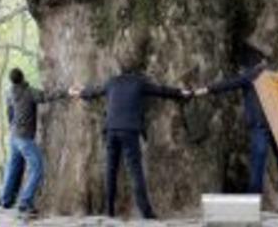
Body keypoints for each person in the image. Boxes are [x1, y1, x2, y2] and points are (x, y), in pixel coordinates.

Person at [71, 68, 191, 219]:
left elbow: (94, 92)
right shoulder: (139, 82)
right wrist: (180, 92)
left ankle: (109, 211)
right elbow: (161, 90)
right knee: (135, 172)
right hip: (129, 130)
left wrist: (79, 93)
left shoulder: (112, 82)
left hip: (111, 129)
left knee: (110, 171)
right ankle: (146, 213)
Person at [194, 44, 278, 213]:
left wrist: (205, 89)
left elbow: (228, 84)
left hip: (260, 125)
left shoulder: (252, 75)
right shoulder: (277, 74)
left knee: (258, 165)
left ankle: (252, 205)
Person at [0, 68, 68, 216]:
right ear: (22, 77)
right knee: (37, 168)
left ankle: (6, 199)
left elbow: (9, 114)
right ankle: (25, 201)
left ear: (11, 80)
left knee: (13, 168)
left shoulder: (9, 93)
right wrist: (66, 91)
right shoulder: (29, 92)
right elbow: (46, 96)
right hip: (24, 138)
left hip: (13, 136)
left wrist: (12, 128)